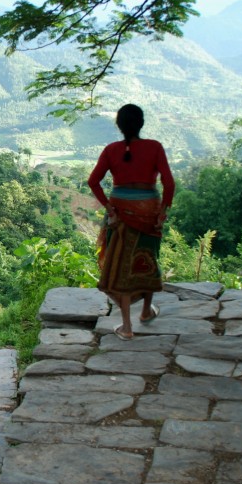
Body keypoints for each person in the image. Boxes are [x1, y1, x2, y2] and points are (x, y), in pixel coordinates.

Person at [88, 104, 175, 340]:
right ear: (141, 124)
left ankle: (126, 326)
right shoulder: (154, 148)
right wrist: (162, 213)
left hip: (120, 217)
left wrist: (109, 208)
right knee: (147, 259)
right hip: (149, 214)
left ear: (119, 126)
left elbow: (93, 181)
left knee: (120, 268)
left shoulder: (111, 150)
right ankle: (146, 311)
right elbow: (169, 183)